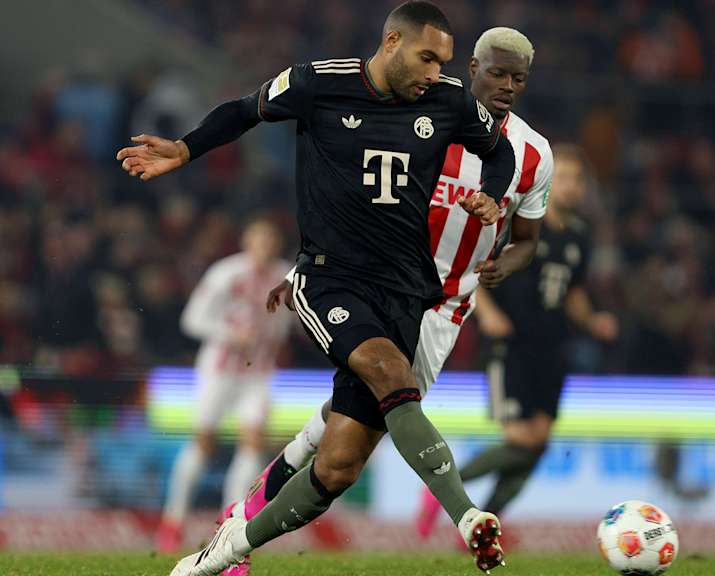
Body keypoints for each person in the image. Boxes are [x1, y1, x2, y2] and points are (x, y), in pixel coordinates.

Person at [116, 3, 518, 574]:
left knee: (337, 468)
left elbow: (498, 150)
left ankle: (222, 552)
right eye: (427, 57)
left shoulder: (449, 101)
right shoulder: (317, 82)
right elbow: (244, 110)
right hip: (330, 278)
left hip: (404, 289)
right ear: (392, 41)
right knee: (390, 373)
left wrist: (493, 198)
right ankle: (468, 517)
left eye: (442, 62)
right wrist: (185, 149)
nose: (435, 72)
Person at [213, 26, 552, 576]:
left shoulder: (534, 155)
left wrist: (502, 265)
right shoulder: (421, 116)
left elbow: (529, 242)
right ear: (471, 68)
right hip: (374, 286)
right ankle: (239, 537)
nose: (508, 85)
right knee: (366, 421)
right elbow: (355, 207)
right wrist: (309, 268)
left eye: (519, 78)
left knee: (345, 426)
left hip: (442, 312)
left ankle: (239, 524)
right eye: (498, 73)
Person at [417, 144, 618, 529]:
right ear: (548, 181)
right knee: (523, 440)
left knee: (537, 445)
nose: (573, 187)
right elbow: (478, 265)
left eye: (579, 180)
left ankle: (486, 525)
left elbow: (573, 293)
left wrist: (593, 322)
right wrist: (488, 313)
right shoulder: (520, 224)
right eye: (566, 178)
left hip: (552, 346)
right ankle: (440, 490)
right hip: (511, 343)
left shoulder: (580, 236)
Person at [155, 219, 292, 553]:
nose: (265, 247)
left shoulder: (287, 275)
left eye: (270, 240)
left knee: (252, 441)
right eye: (259, 239)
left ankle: (230, 523)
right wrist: (231, 334)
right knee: (204, 442)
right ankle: (174, 520)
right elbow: (192, 319)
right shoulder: (226, 273)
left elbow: (290, 317)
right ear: (247, 241)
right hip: (218, 371)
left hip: (258, 372)